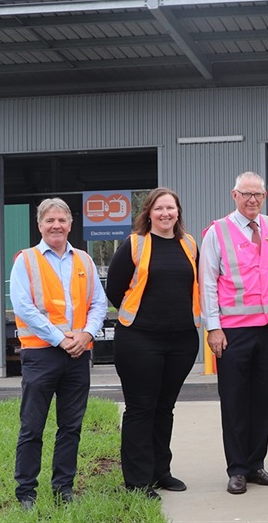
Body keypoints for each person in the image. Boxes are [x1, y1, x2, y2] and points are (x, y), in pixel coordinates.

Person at [9, 198, 107, 510]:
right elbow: (23, 306)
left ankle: (63, 488)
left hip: (78, 355)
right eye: (50, 220)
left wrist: (87, 334)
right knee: (32, 427)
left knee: (71, 427)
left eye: (61, 220)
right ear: (40, 225)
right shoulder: (25, 261)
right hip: (41, 356)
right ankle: (26, 493)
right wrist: (59, 338)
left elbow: (99, 303)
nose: (56, 225)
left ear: (70, 224)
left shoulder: (84, 261)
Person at [200, 171, 268, 495]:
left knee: (264, 400)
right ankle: (237, 468)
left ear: (264, 197)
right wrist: (213, 327)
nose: (253, 200)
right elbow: (207, 282)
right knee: (236, 401)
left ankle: (256, 465)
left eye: (258, 195)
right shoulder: (217, 232)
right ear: (234, 195)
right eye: (246, 194)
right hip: (233, 332)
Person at [105, 187, 201, 499]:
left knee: (164, 408)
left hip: (182, 340)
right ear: (148, 213)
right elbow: (115, 289)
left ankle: (162, 472)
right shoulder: (135, 244)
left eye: (170, 208)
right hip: (139, 340)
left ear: (178, 212)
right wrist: (144, 317)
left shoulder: (189, 244)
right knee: (141, 408)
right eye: (159, 209)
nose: (165, 214)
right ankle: (137, 481)